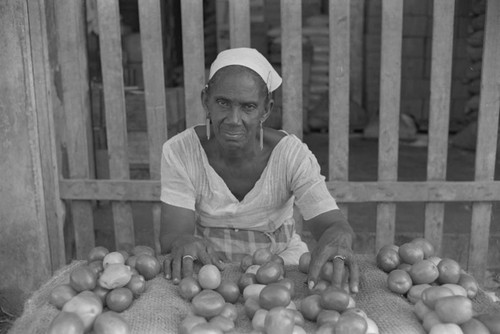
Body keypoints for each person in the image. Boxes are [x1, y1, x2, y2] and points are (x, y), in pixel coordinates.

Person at [160, 47, 359, 293]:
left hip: (281, 269)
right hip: (211, 272)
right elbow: (173, 235)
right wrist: (183, 241)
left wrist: (340, 236)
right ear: (205, 101)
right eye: (223, 103)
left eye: (248, 107)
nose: (234, 119)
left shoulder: (291, 155)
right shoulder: (181, 151)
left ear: (266, 109)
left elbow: (331, 225)